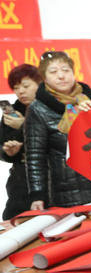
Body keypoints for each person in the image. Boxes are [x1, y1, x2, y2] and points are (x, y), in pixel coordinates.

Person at [25, 51, 91, 209]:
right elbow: (35, 156)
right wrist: (38, 195)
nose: (61, 76)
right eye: (54, 72)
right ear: (44, 78)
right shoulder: (38, 109)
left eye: (65, 70)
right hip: (67, 190)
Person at [2, 64, 41, 219]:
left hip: (49, 179)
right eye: (16, 87)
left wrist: (24, 126)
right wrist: (9, 151)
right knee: (14, 220)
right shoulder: (12, 112)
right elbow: (2, 146)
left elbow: (59, 139)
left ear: (40, 84)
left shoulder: (52, 108)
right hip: (20, 181)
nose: (21, 91)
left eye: (26, 86)